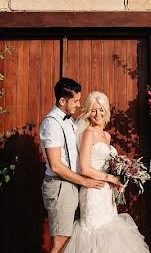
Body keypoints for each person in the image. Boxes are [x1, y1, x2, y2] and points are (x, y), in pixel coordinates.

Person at [65, 91, 150, 253]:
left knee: (110, 238)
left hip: (107, 193)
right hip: (93, 190)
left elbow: (109, 165)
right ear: (89, 112)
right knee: (95, 235)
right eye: (94, 110)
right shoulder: (88, 133)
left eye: (101, 109)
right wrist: (111, 178)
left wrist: (118, 182)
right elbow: (84, 167)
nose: (98, 114)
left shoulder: (106, 136)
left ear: (106, 111)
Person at [39, 78, 105, 253]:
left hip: (73, 185)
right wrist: (85, 182)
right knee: (60, 243)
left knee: (72, 241)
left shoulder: (69, 121)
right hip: (61, 186)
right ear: (62, 101)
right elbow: (56, 166)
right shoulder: (51, 123)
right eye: (75, 101)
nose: (78, 105)